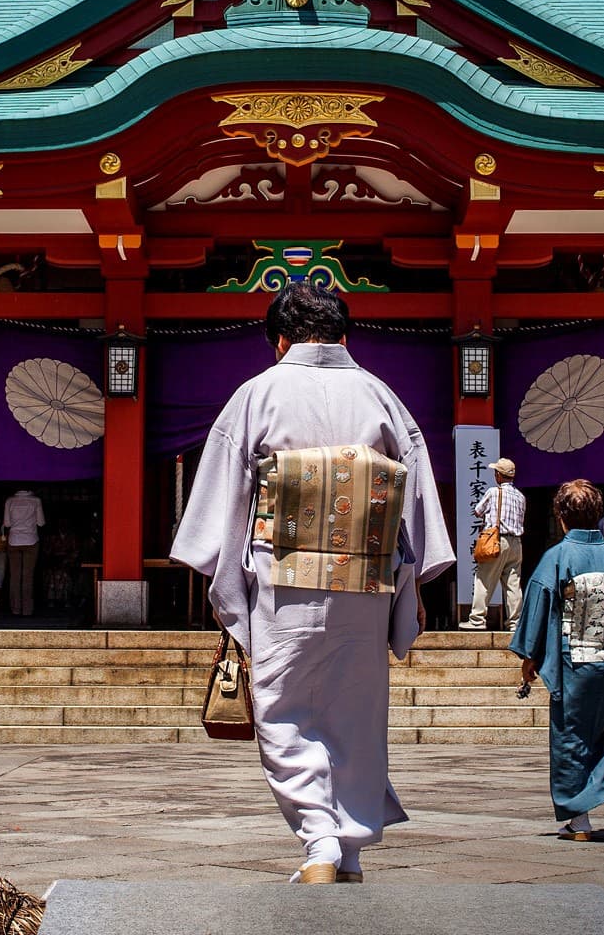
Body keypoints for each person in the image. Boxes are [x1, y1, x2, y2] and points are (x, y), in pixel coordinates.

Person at [173, 283, 454, 884]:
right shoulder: (381, 395)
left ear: (280, 340)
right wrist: (412, 585)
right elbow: (412, 502)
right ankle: (348, 850)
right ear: (344, 335)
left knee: (283, 710)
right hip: (367, 578)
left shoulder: (256, 394)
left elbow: (227, 496)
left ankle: (321, 840)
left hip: (283, 576)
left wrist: (224, 577)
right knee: (357, 712)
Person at [511, 480, 604, 841]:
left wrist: (530, 656)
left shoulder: (557, 557)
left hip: (575, 660)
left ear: (561, 517)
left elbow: (539, 605)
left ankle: (579, 820)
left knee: (570, 734)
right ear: (597, 515)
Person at [460, 458, 525, 632]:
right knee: (513, 584)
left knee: (484, 579)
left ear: (498, 475)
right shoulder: (520, 496)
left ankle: (477, 619)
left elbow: (478, 511)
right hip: (516, 543)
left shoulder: (493, 492)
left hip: (497, 541)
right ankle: (515, 623)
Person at [2, 489, 46, 617]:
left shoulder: (9, 501)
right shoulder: (35, 501)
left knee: (14, 577)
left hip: (14, 540)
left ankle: (15, 608)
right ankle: (27, 610)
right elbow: (41, 522)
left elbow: (7, 523)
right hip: (31, 540)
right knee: (28, 576)